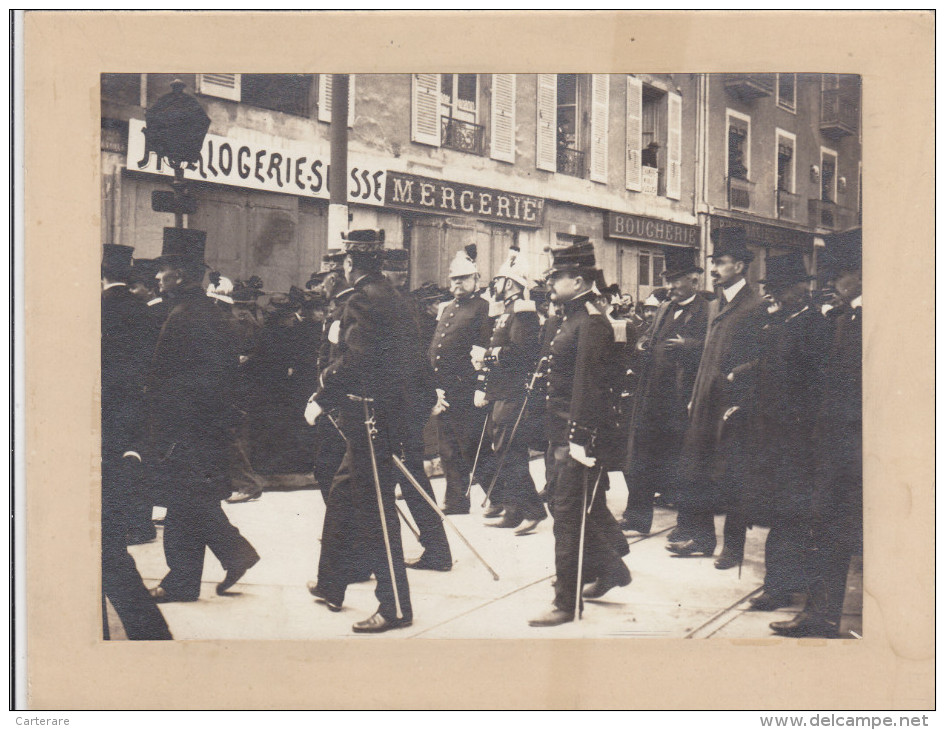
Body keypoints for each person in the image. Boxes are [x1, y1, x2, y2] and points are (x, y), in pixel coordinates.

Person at [304, 229, 419, 633]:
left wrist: (321, 392)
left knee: (377, 513)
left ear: (351, 263)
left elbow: (357, 359)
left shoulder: (363, 300)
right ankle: (332, 583)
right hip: (381, 413)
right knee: (341, 492)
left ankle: (396, 607)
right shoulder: (391, 296)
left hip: (369, 414)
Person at [146, 232, 260, 603]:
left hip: (183, 429)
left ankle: (186, 580)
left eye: (162, 270)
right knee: (193, 501)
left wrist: (157, 427)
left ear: (178, 275)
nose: (157, 277)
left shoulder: (179, 316)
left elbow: (162, 378)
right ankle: (233, 555)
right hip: (210, 427)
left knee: (184, 503)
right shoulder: (214, 312)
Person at [529, 240, 631, 628]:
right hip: (561, 434)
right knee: (566, 506)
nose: (551, 282)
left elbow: (590, 386)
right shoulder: (570, 317)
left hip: (577, 438)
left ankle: (566, 602)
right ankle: (610, 569)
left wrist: (579, 439)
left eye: (558, 276)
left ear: (579, 280)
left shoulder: (590, 321)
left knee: (569, 516)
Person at [771, 228, 862, 638]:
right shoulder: (847, 318)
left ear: (859, 275)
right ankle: (820, 615)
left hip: (855, 449)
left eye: (837, 277)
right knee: (830, 528)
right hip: (836, 446)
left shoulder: (865, 321)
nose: (830, 287)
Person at [670, 226, 767, 570]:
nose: (714, 269)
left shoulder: (754, 306)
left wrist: (735, 383)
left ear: (740, 266)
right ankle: (703, 537)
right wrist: (695, 394)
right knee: (699, 469)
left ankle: (734, 549)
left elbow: (761, 360)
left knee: (733, 477)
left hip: (732, 408)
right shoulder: (716, 305)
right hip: (705, 402)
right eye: (714, 262)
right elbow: (706, 355)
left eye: (721, 263)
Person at [739, 252, 828, 612]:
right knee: (782, 513)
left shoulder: (814, 327)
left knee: (789, 515)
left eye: (779, 289)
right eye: (770, 289)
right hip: (774, 435)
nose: (773, 295)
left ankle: (778, 587)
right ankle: (784, 582)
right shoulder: (784, 323)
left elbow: (813, 387)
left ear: (802, 289)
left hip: (797, 439)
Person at [100, 244, 172, 639]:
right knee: (107, 552)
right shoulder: (145, 315)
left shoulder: (95, 311)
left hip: (100, 438)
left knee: (103, 555)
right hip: (129, 436)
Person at [621, 247, 708, 535]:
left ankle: (685, 526)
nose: (669, 287)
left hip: (680, 397)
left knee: (680, 462)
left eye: (676, 281)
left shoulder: (706, 309)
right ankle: (637, 517)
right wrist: (642, 344)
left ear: (693, 280)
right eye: (668, 280)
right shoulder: (664, 308)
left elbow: (712, 348)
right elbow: (647, 335)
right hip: (651, 395)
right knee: (641, 455)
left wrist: (690, 347)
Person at [381, 250, 453, 572]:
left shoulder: (393, 305)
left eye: (398, 271)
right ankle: (436, 549)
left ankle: (436, 551)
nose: (397, 276)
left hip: (400, 406)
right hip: (407, 403)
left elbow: (408, 359)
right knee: (409, 478)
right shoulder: (403, 304)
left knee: (409, 478)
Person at [475, 248, 547, 535]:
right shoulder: (506, 310)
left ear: (511, 283)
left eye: (500, 280)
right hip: (501, 391)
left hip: (514, 392)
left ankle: (532, 509)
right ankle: (515, 510)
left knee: (511, 452)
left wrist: (489, 355)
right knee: (504, 450)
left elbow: (520, 353)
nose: (495, 284)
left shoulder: (523, 312)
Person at [429, 244, 495, 515]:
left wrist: (482, 387)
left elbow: (486, 350)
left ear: (476, 280)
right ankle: (456, 501)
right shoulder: (446, 308)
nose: (458, 283)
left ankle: (501, 496)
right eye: (454, 279)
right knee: (448, 449)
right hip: (444, 390)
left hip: (466, 389)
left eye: (464, 278)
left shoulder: (484, 307)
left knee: (473, 447)